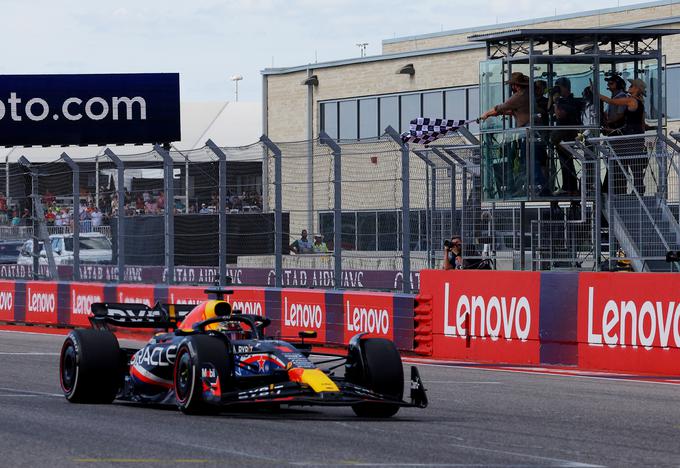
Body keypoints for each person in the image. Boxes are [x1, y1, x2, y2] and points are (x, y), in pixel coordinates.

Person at [480, 72, 546, 196]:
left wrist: (486, 114)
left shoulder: (519, 96)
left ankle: (538, 188)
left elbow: (500, 107)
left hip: (529, 132)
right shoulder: (527, 94)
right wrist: (498, 113)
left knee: (529, 160)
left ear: (516, 85)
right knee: (533, 159)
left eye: (512, 85)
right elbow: (512, 111)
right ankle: (537, 187)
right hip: (535, 131)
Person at [599, 78, 647, 195]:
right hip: (637, 134)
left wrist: (597, 94)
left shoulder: (631, 100)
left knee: (625, 161)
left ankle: (632, 190)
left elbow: (612, 102)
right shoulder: (640, 102)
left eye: (632, 85)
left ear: (636, 89)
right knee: (634, 163)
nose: (629, 87)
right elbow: (642, 123)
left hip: (631, 135)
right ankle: (638, 189)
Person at [549, 77, 582, 195]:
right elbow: (549, 110)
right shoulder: (563, 101)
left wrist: (556, 102)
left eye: (559, 87)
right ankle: (568, 186)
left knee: (567, 161)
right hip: (561, 136)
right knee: (565, 162)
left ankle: (570, 187)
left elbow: (559, 115)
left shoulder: (570, 101)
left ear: (564, 88)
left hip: (567, 135)